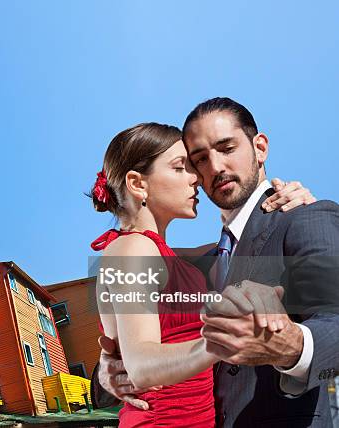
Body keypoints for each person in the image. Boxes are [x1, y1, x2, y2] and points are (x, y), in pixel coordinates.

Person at [91, 97, 339, 427]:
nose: (212, 168)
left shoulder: (302, 218)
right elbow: (143, 348)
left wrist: (295, 346)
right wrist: (109, 371)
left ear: (260, 148)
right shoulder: (192, 261)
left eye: (227, 148)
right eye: (196, 161)